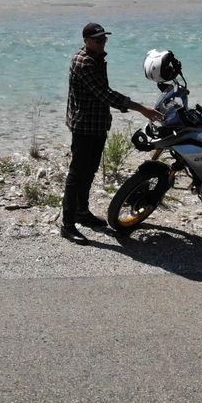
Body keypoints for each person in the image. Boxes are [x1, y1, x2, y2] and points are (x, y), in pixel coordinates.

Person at [62, 21, 160, 242]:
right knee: (77, 174)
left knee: (89, 171)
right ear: (86, 41)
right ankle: (67, 224)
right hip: (84, 126)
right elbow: (106, 95)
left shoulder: (95, 58)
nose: (102, 42)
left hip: (96, 124)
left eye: (104, 38)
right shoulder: (84, 63)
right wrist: (141, 108)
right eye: (98, 40)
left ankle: (82, 212)